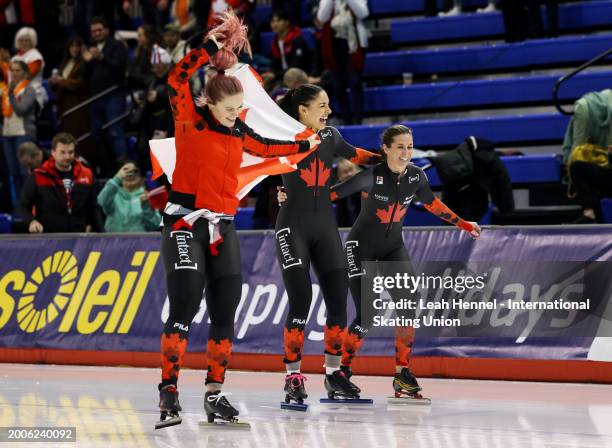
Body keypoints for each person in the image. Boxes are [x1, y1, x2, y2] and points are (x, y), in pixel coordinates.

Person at [155, 11, 319, 429]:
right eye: (229, 109)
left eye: (239, 109)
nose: (235, 115)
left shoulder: (237, 131)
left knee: (225, 310)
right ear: (210, 102)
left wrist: (307, 143)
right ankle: (169, 390)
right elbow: (175, 79)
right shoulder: (190, 120)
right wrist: (209, 48)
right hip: (184, 224)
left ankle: (215, 393)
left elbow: (267, 150)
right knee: (186, 306)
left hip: (222, 226)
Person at [279, 125, 481, 401]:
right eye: (400, 147)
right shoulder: (370, 177)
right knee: (368, 314)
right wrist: (291, 198)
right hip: (360, 248)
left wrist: (463, 224)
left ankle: (402, 373)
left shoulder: (416, 177)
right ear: (385, 149)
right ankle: (341, 372)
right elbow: (329, 194)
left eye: (409, 147)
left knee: (408, 304)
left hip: (393, 248)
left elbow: (433, 204)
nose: (406, 153)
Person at [274, 84, 380, 406]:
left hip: (326, 227)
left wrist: (390, 159)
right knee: (301, 299)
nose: (328, 111)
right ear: (303, 109)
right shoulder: (282, 138)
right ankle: (292, 376)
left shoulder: (331, 136)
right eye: (322, 105)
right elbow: (251, 162)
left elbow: (359, 157)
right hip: (292, 227)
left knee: (338, 297)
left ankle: (334, 374)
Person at [17, 132, 96, 233]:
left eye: (71, 152)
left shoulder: (86, 174)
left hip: (79, 238)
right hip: (49, 238)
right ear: (53, 152)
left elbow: (93, 206)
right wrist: (31, 222)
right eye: (62, 152)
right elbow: (22, 206)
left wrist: (93, 226)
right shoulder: (38, 175)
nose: (67, 157)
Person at [83, 16, 129, 173]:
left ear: (107, 30)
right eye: (93, 31)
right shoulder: (90, 48)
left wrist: (101, 57)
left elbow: (119, 66)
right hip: (96, 98)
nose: (96, 34)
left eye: (99, 30)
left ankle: (124, 168)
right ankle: (105, 168)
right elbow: (87, 74)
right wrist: (87, 62)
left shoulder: (117, 46)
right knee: (97, 133)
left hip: (114, 95)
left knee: (115, 132)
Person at [317, 0, 368, 125]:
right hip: (334, 44)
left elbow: (363, 13)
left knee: (355, 82)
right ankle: (347, 120)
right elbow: (322, 16)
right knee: (338, 85)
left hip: (353, 43)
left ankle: (358, 119)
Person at [49, 36, 95, 163]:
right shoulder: (65, 62)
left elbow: (80, 84)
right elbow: (61, 81)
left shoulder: (84, 64)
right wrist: (54, 82)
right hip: (64, 106)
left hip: (78, 106)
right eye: (72, 46)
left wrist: (61, 81)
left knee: (78, 137)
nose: (74, 49)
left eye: (77, 45)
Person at [1, 60, 36, 206]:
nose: (14, 73)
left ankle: (30, 204)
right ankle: (19, 206)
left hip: (23, 133)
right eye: (12, 70)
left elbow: (21, 109)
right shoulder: (7, 89)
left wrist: (10, 95)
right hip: (7, 134)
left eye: (18, 70)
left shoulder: (29, 89)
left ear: (25, 73)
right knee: (13, 173)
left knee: (24, 172)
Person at [97, 160, 161, 232]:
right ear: (119, 173)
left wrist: (146, 207)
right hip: (114, 242)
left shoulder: (147, 196)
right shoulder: (112, 195)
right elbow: (101, 201)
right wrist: (116, 179)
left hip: (139, 242)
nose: (130, 175)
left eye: (135, 171)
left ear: (140, 175)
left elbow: (155, 225)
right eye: (126, 171)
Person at [0, 26, 46, 110]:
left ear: (32, 41)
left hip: (30, 97)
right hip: (13, 96)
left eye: (27, 40)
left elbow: (24, 77)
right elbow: (9, 80)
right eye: (21, 40)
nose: (23, 43)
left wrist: (8, 62)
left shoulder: (36, 56)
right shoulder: (15, 58)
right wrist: (2, 63)